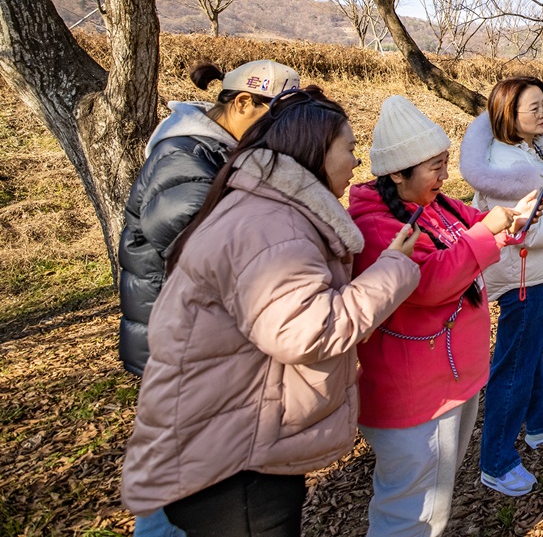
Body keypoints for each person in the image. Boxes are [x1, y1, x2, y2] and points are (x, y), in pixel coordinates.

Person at [122, 87, 422, 537]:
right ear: (316, 151)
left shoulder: (266, 208)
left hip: (232, 431)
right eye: (350, 149)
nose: (356, 163)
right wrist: (395, 269)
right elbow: (308, 330)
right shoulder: (272, 225)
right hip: (235, 456)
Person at [118, 59, 300, 537]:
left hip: (194, 342)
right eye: (277, 119)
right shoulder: (187, 157)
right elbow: (206, 243)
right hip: (181, 346)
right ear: (242, 102)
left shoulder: (217, 153)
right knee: (177, 482)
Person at [350, 96, 535, 536]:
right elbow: (429, 282)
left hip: (454, 379)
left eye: (445, 162)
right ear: (397, 172)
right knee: (412, 512)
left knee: (433, 501)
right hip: (419, 394)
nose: (445, 175)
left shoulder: (436, 205)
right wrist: (489, 231)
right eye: (435, 166)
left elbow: (479, 227)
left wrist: (512, 220)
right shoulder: (376, 225)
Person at [458, 77, 543, 497]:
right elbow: (527, 234)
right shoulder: (505, 163)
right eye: (533, 108)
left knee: (536, 348)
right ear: (507, 115)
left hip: (532, 271)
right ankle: (496, 462)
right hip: (517, 271)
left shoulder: (534, 144)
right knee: (515, 363)